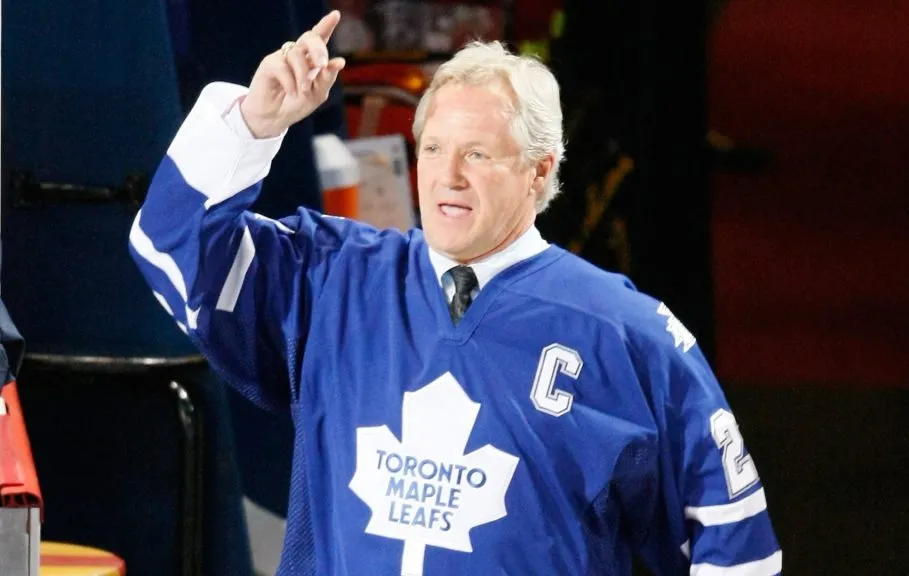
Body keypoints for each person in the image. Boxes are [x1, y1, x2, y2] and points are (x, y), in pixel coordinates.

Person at [129, 11, 781, 575]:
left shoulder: (627, 334)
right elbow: (170, 242)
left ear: (540, 170)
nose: (448, 175)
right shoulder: (332, 278)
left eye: (479, 154)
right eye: (434, 147)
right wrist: (252, 122)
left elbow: (734, 544)